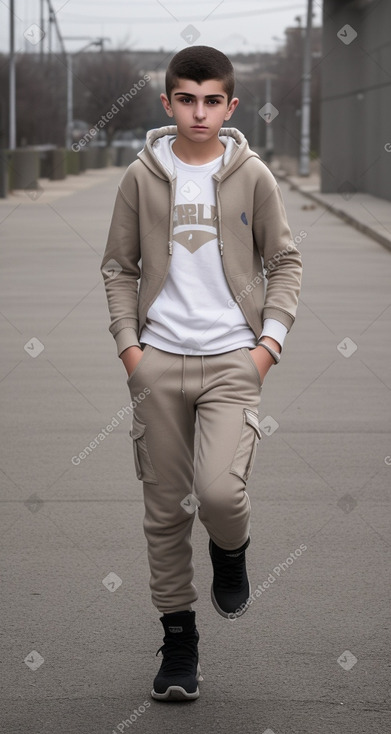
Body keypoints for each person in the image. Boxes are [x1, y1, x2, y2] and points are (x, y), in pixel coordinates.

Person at [100, 45, 302, 702]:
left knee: (218, 494)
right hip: (157, 363)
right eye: (186, 98)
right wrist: (132, 351)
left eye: (211, 99)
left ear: (230, 105)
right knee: (162, 512)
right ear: (167, 103)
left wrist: (265, 347)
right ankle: (179, 639)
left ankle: (230, 547)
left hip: (230, 362)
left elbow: (285, 263)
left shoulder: (252, 176)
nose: (199, 111)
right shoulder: (141, 175)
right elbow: (117, 267)